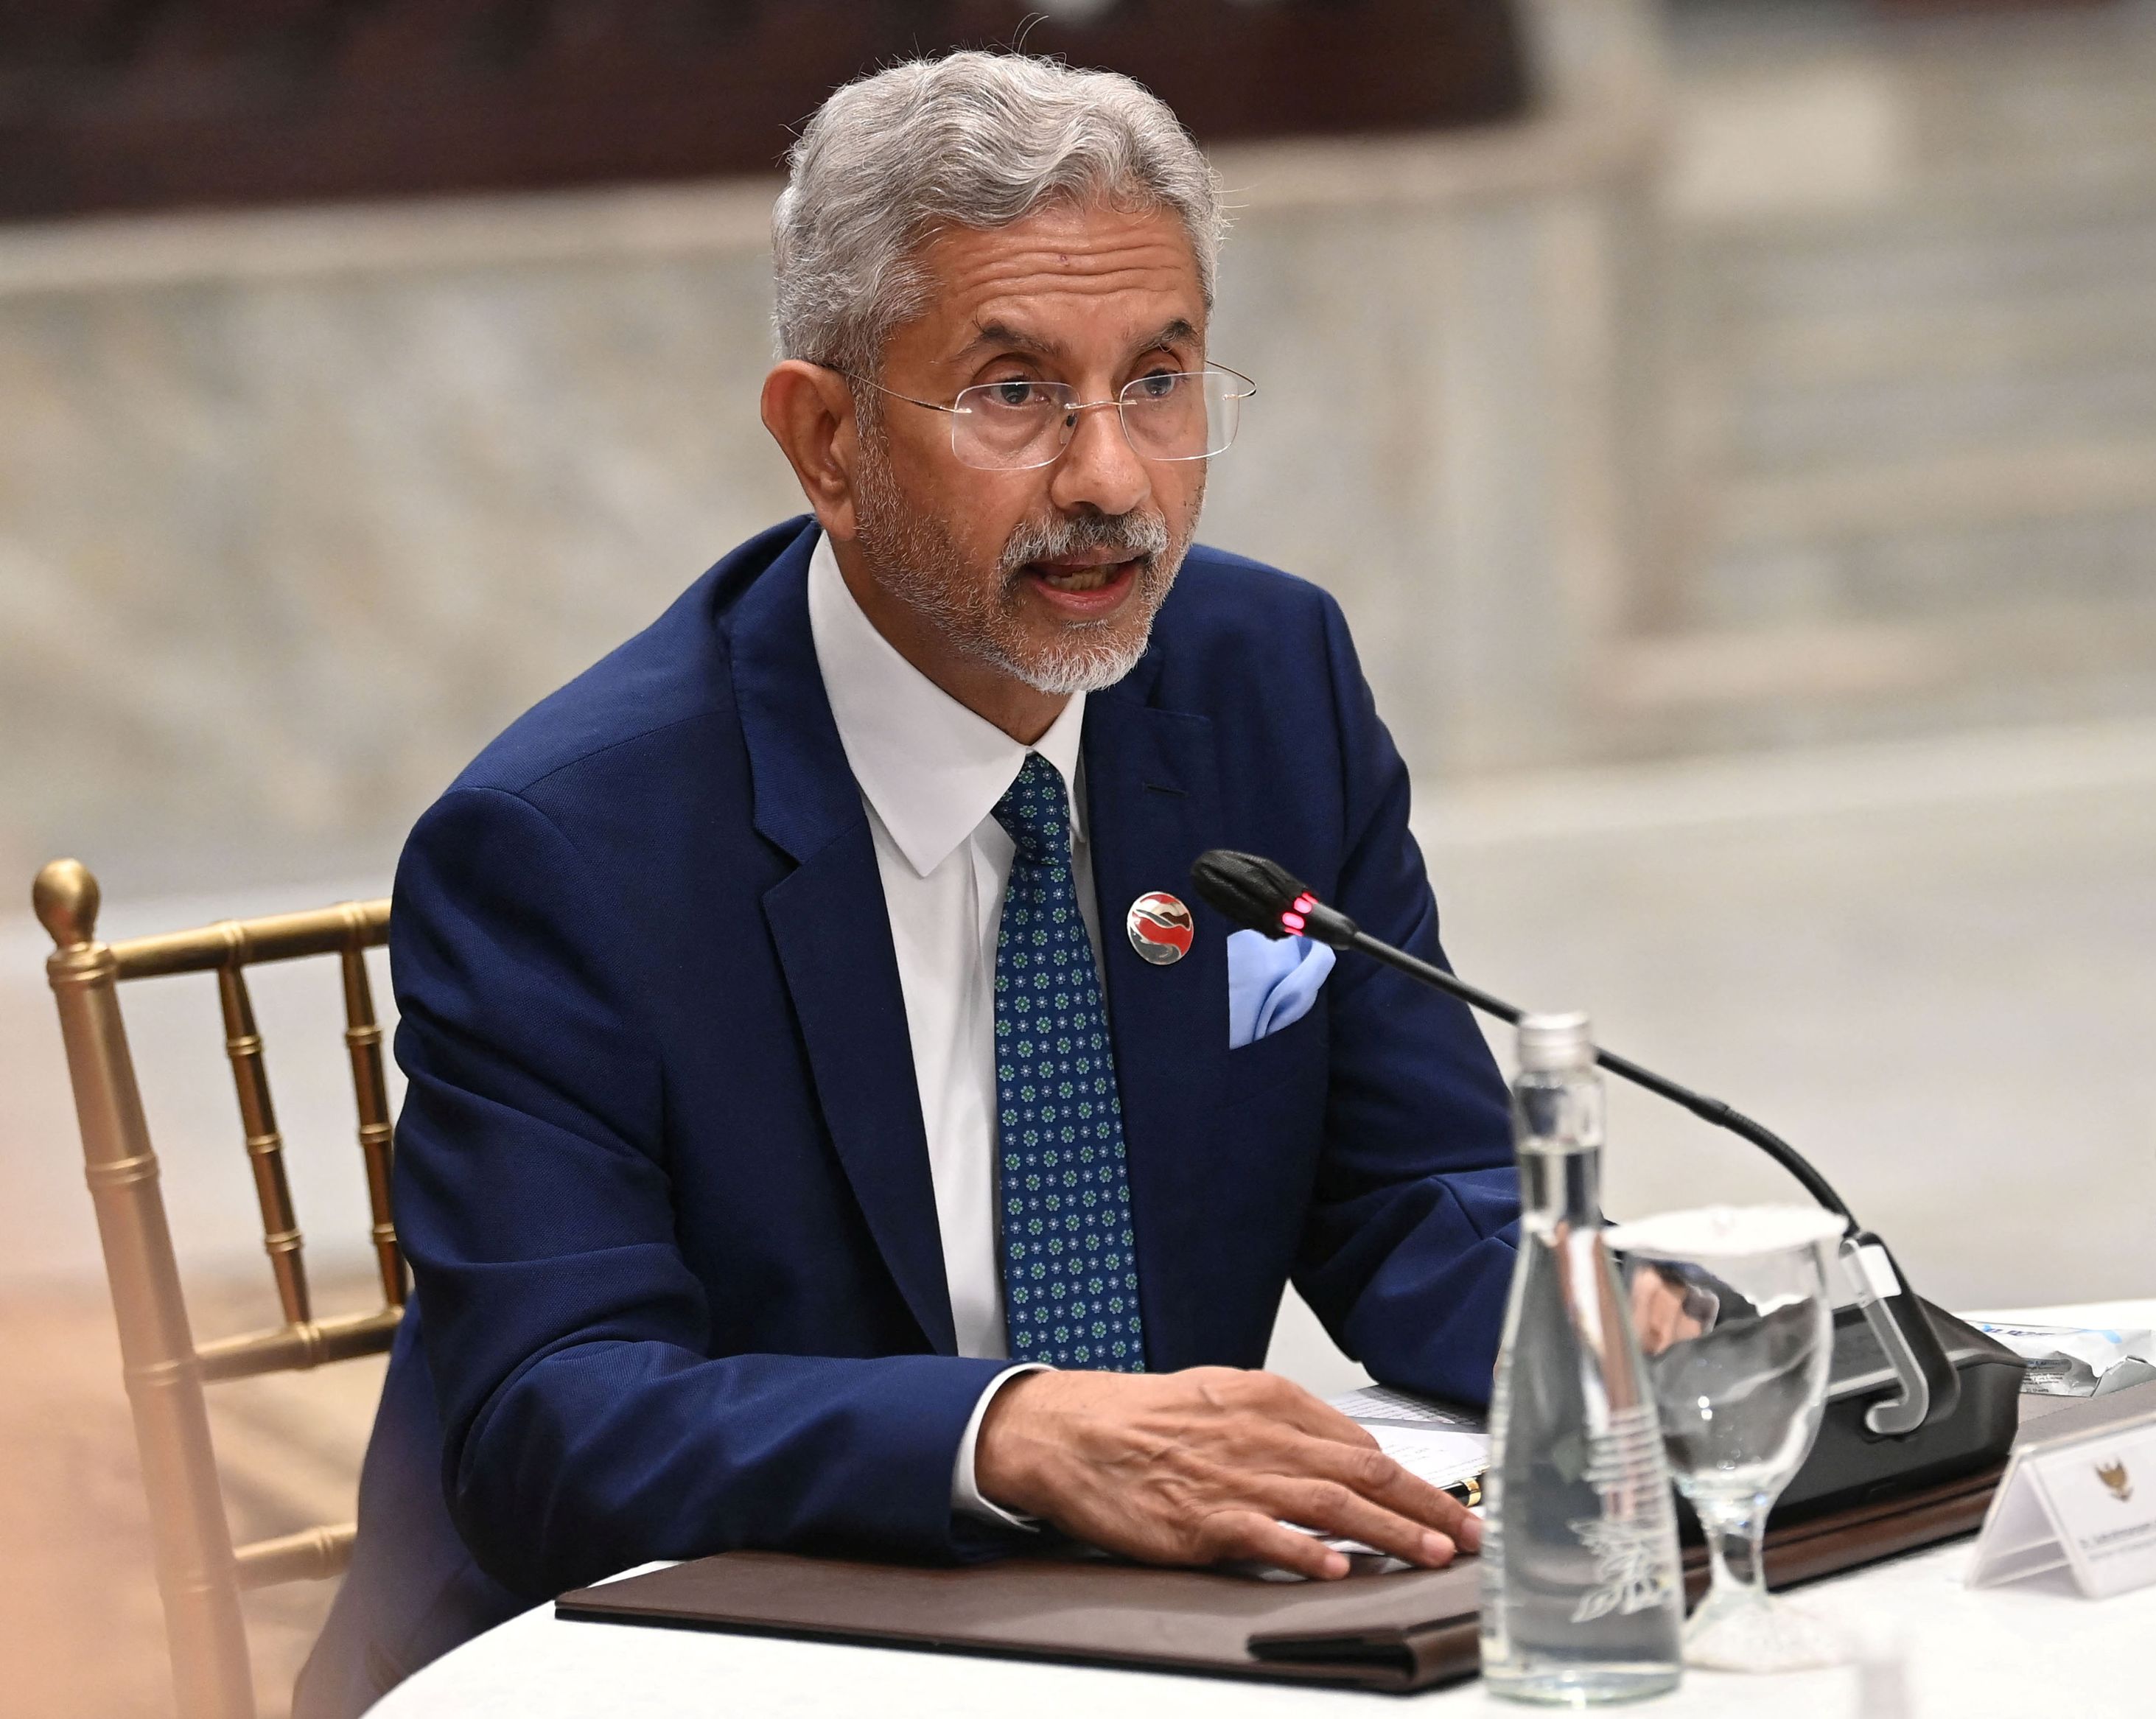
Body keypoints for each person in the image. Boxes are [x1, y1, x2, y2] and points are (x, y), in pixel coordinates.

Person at [295, 51, 1519, 1718]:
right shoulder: (563, 850)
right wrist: (1009, 1430)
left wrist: (1611, 1323)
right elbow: (552, 1423)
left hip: (1131, 1642)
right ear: (826, 437)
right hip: (665, 1662)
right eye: (1013, 393)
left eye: (1157, 380)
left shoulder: (1263, 680)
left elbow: (1409, 1195)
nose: (1110, 479)